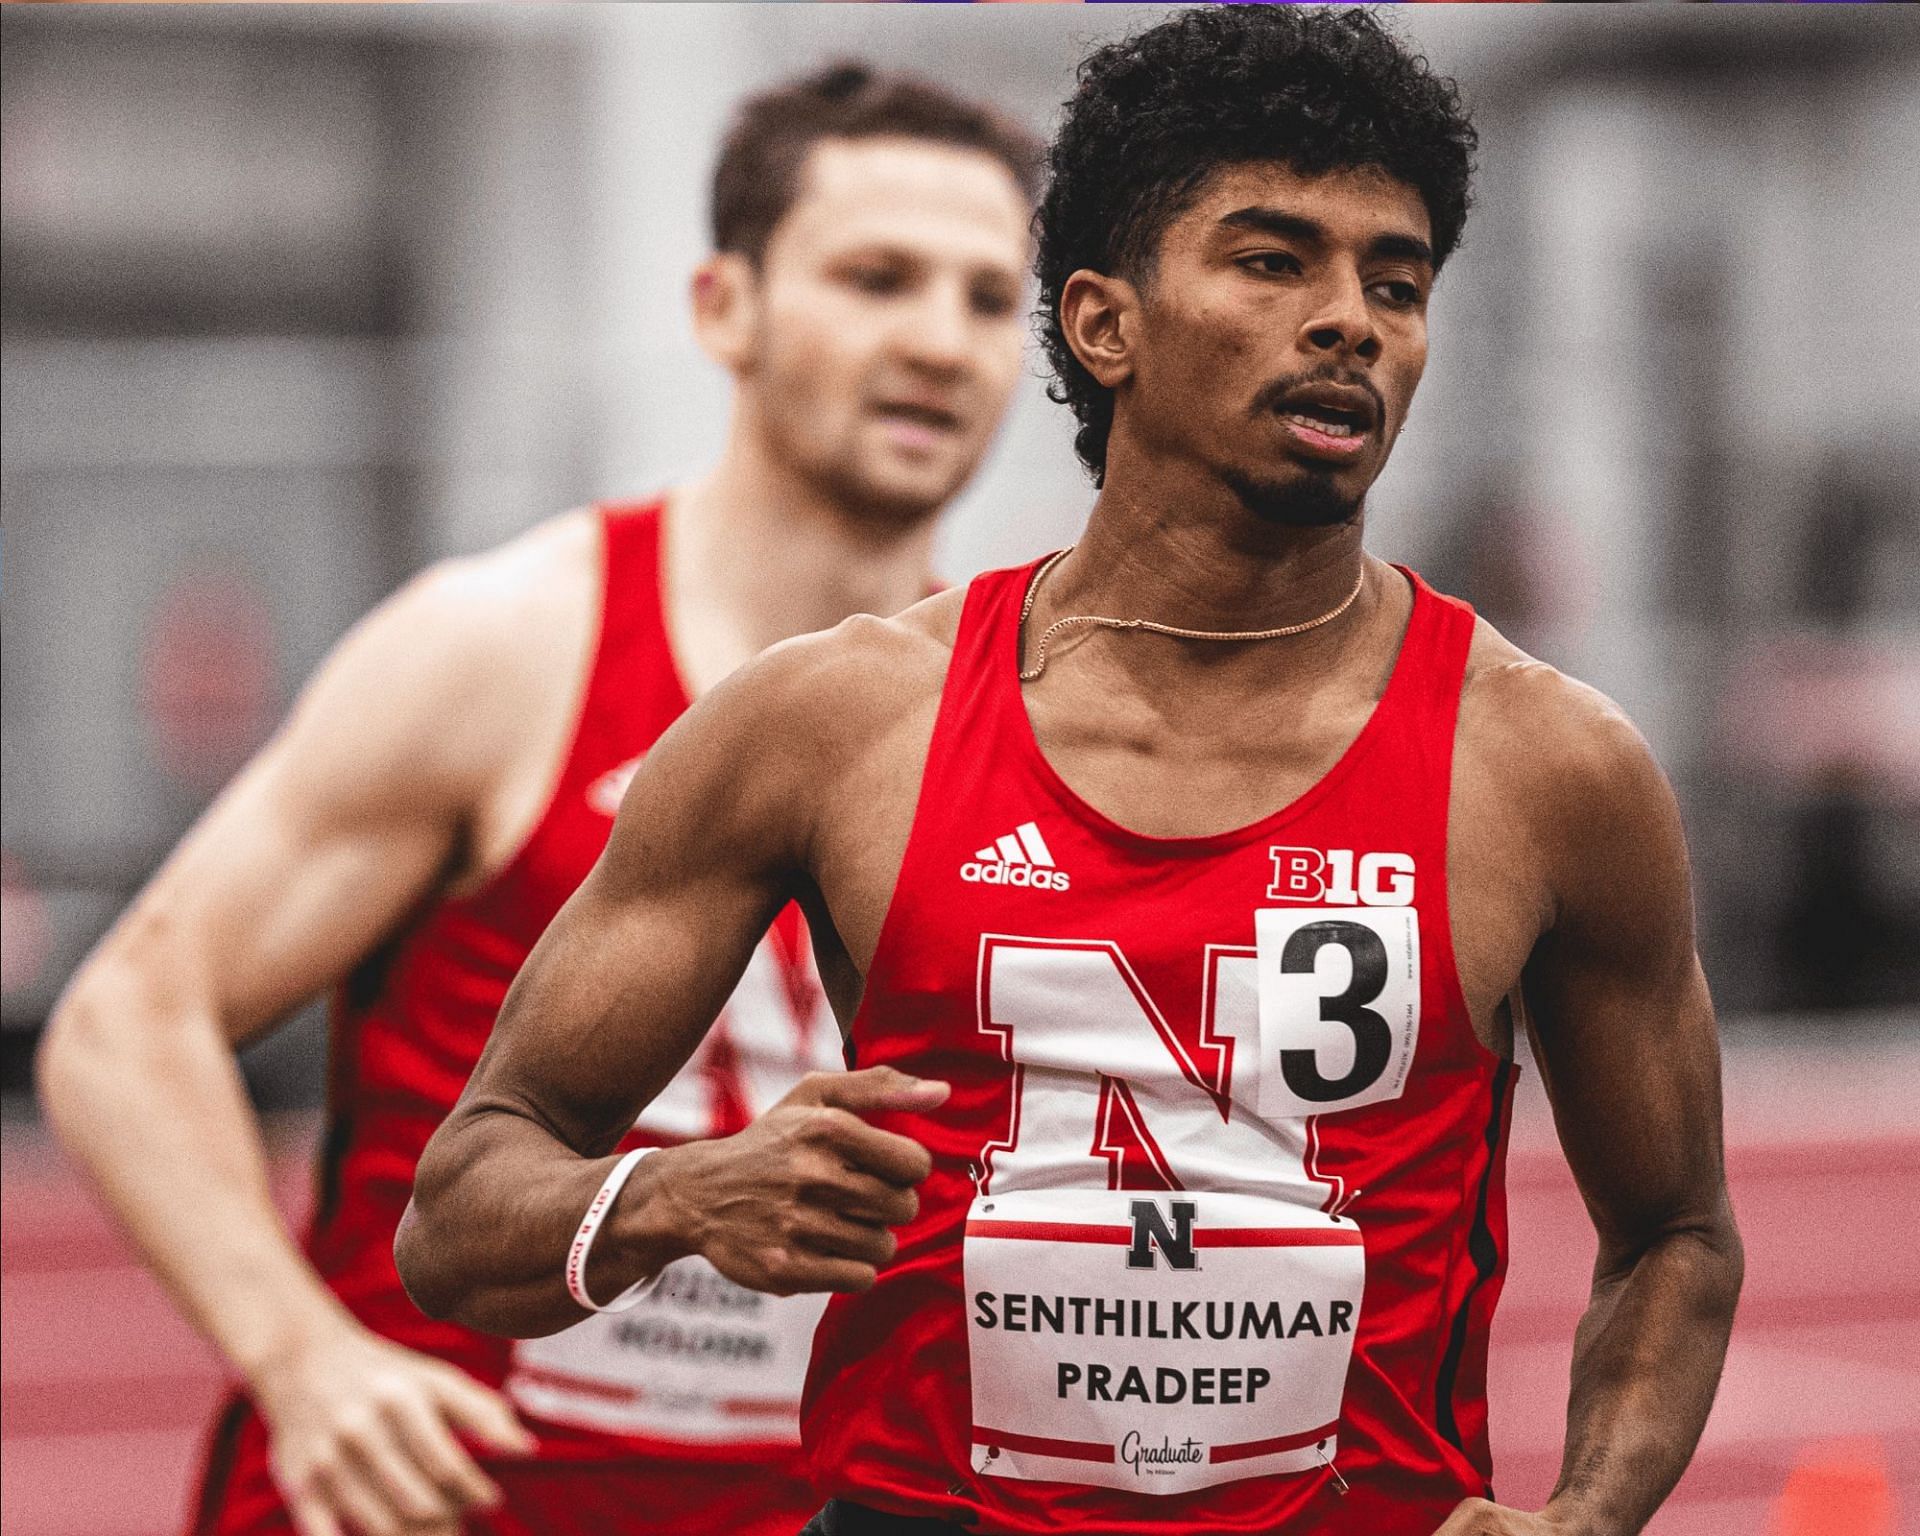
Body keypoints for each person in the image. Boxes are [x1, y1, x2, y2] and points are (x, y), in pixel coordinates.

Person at [396, 10, 1744, 1536]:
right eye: (1271, 260)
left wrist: (1589, 1516)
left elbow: (1678, 1236)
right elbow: (459, 1214)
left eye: (1398, 280)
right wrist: (672, 1199)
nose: (1351, 321)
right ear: (1105, 324)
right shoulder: (834, 726)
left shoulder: (1549, 767)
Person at [38, 62, 1038, 1536]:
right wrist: (304, 1361)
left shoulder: (1013, 721)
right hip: (436, 1503)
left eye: (984, 298)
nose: (937, 343)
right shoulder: (514, 645)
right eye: (877, 279)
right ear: (725, 308)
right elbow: (127, 1024)